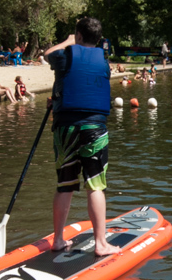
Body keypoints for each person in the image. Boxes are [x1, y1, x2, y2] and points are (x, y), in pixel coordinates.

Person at [41, 15, 121, 257]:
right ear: (98, 40)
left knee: (64, 185)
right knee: (95, 185)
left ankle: (57, 240)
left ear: (78, 36)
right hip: (94, 129)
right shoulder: (105, 63)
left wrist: (67, 40)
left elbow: (46, 54)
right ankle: (101, 244)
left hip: (65, 128)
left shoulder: (64, 56)